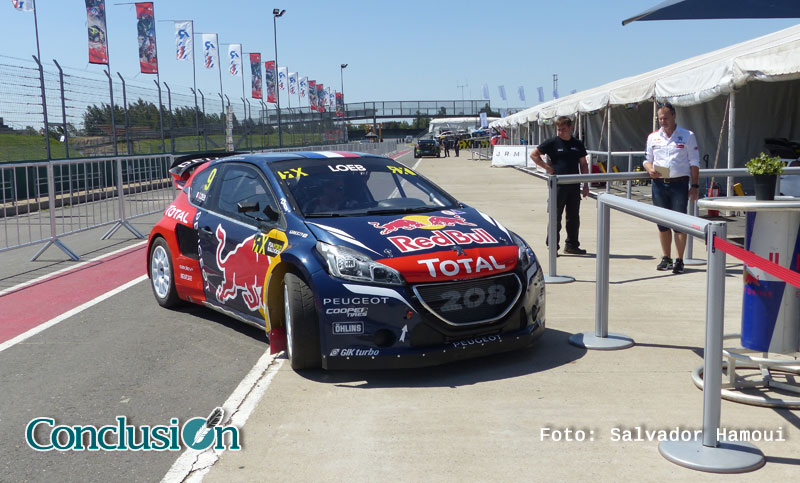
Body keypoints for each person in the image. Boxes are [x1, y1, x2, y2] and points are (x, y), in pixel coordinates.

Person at [643, 102, 700, 274]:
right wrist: (649, 168)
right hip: (659, 184)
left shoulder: (688, 135)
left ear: (674, 116)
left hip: (679, 184)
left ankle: (679, 260)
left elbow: (694, 162)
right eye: (660, 118)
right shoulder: (653, 137)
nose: (662, 121)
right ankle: (666, 258)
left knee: (679, 223)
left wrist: (695, 185)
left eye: (665, 118)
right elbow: (647, 159)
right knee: (662, 223)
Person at [529, 116, 589, 255]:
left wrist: (586, 184)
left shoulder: (577, 144)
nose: (560, 132)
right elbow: (534, 155)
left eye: (563, 129)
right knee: (555, 216)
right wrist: (547, 168)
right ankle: (552, 247)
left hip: (574, 185)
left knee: (573, 217)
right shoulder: (552, 142)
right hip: (557, 185)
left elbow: (583, 164)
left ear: (570, 128)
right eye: (558, 130)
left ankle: (572, 245)